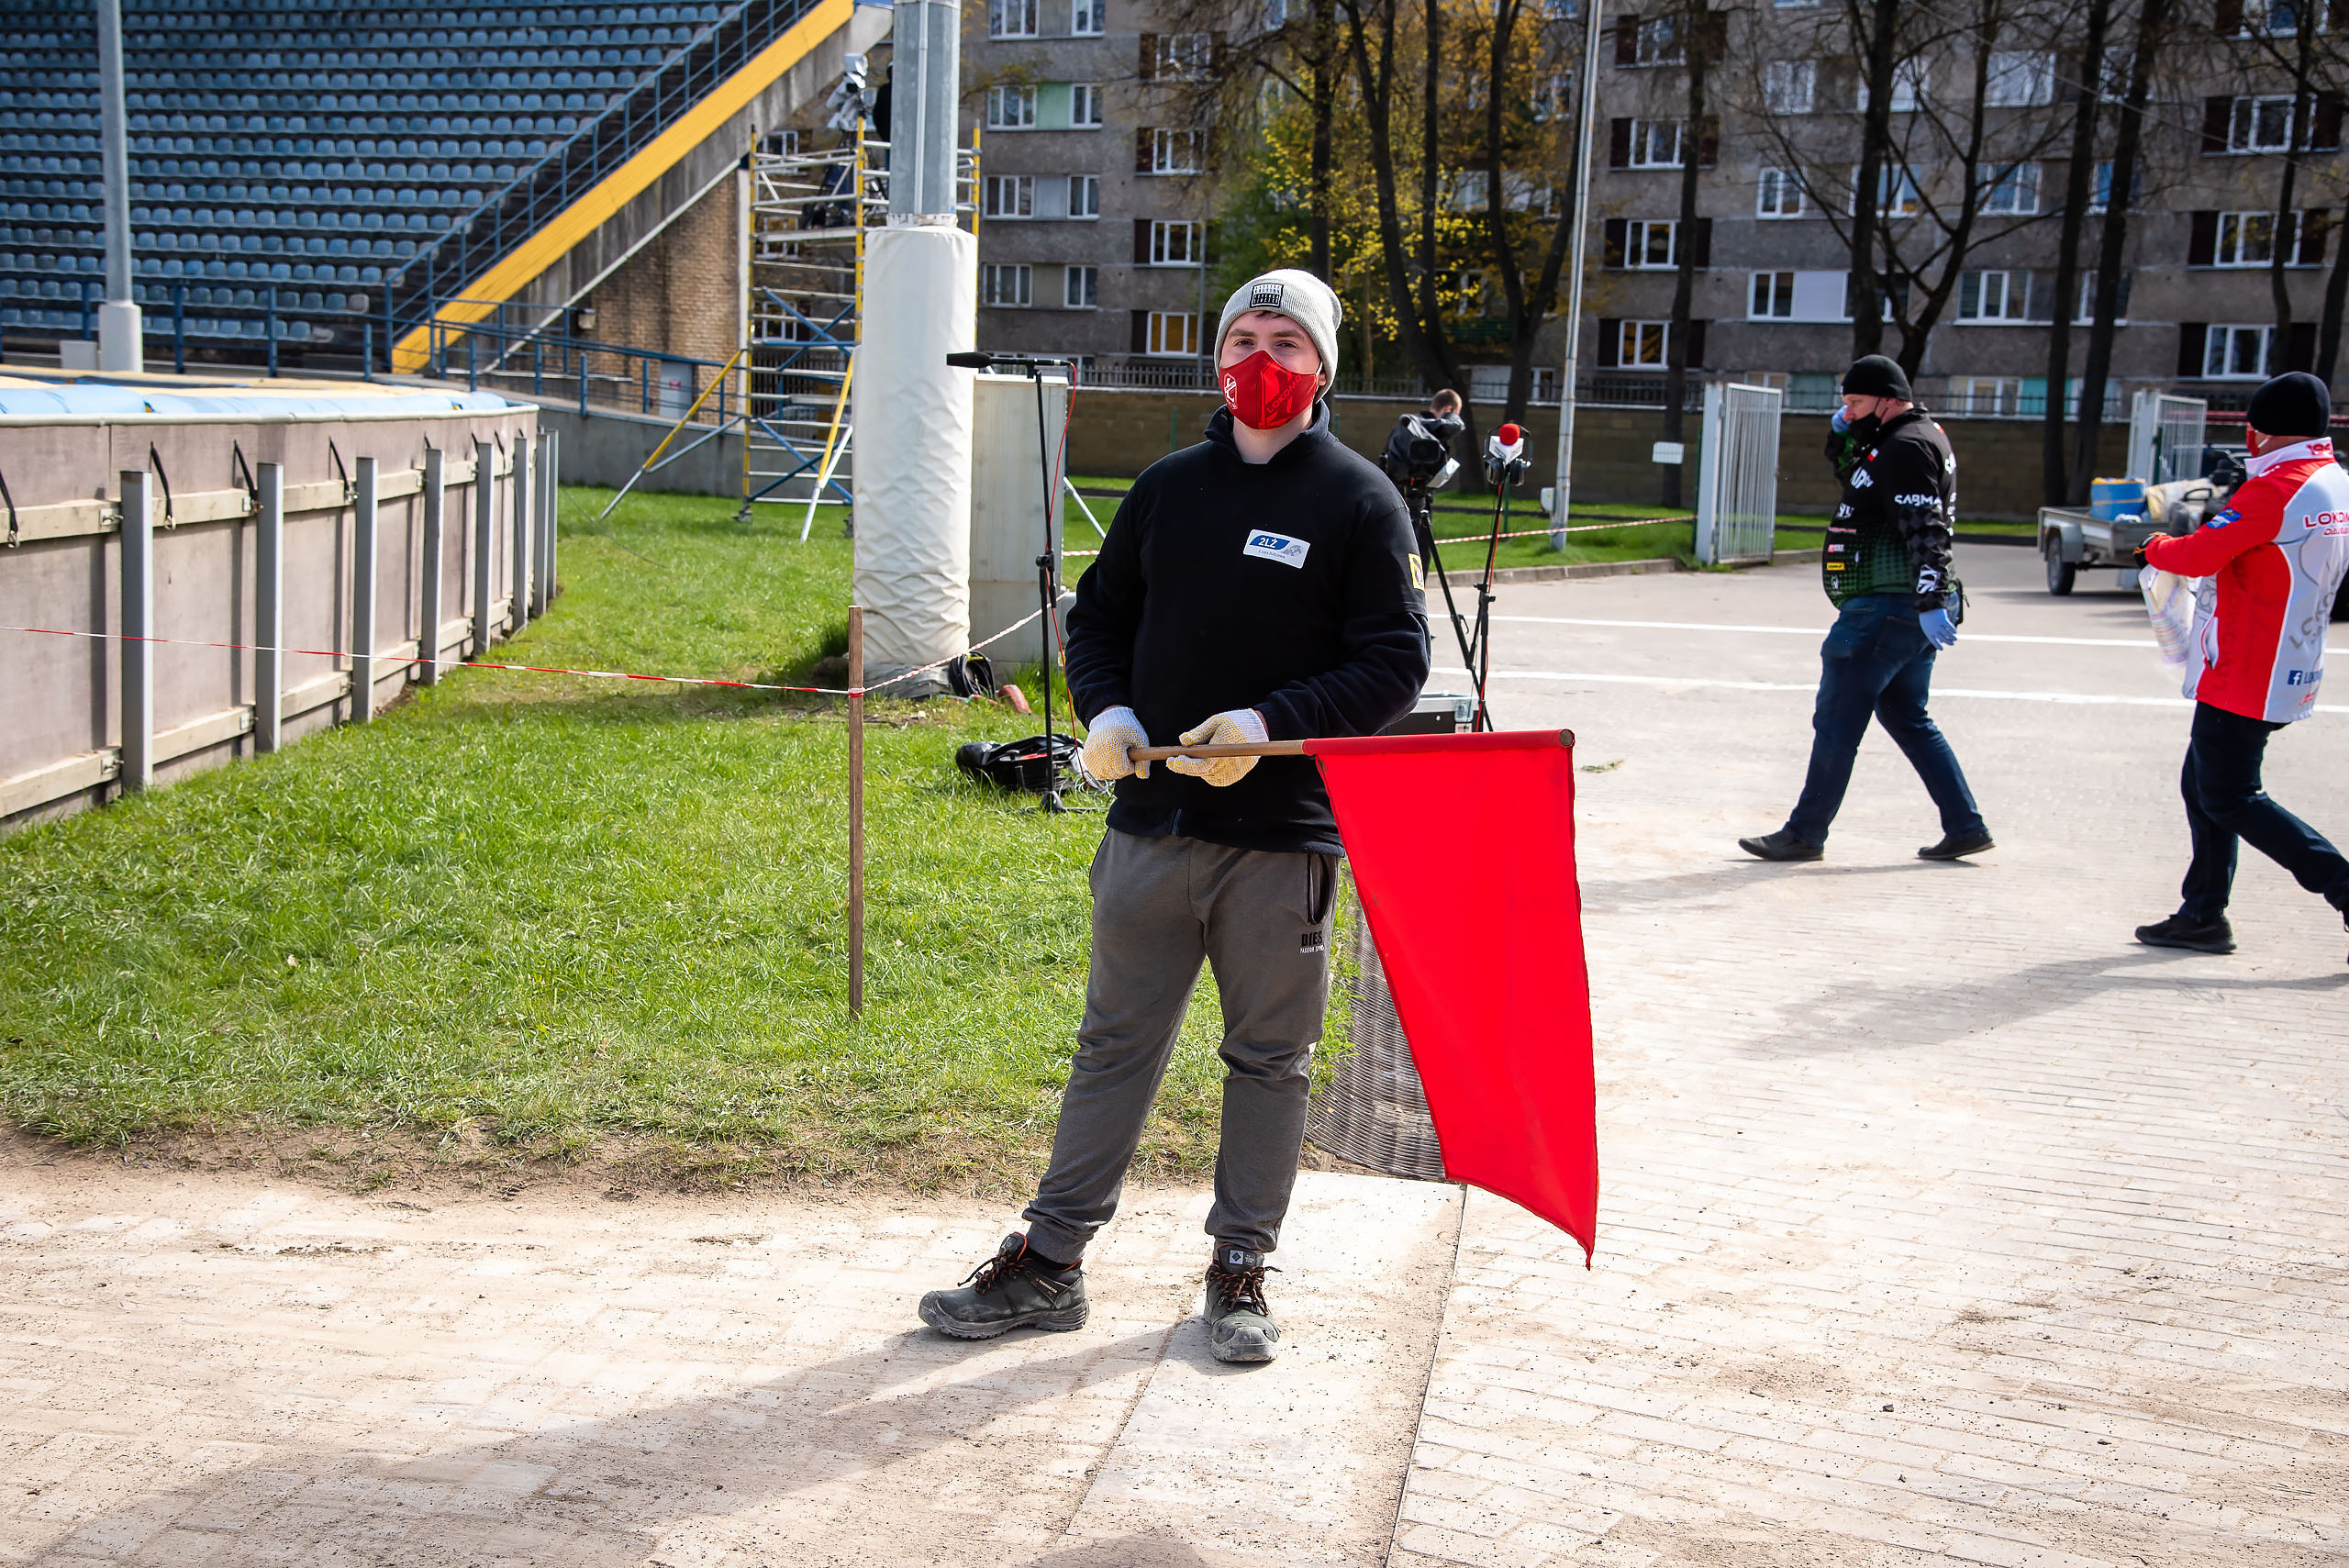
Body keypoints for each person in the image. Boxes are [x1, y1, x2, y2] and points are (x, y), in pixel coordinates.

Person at [917, 269, 1431, 1362]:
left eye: (1287, 341)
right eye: (1244, 335)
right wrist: (1103, 709)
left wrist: (1267, 720)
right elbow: (1096, 620)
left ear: (1323, 368)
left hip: (1282, 841)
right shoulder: (1166, 488)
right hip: (1147, 828)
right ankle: (1050, 1262)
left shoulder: (1357, 499)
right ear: (1214, 357)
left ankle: (1240, 1267)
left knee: (1269, 1061)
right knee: (1113, 1045)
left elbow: (1395, 661)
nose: (1262, 358)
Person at [1739, 354, 1992, 862]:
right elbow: (1853, 475)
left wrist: (1928, 595)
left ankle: (1805, 833)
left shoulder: (1907, 447)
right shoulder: (1902, 439)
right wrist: (1840, 432)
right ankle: (1965, 825)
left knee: (1837, 719)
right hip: (1900, 605)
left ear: (1889, 398)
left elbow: (1928, 528)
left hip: (1887, 605)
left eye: (1854, 402)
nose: (1848, 412)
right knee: (1906, 716)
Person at [2132, 371, 2349, 959]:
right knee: (2202, 784)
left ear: (2264, 432)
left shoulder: (2277, 488)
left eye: (2253, 428)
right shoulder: (2333, 479)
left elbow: (2200, 553)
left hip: (2247, 668)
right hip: (2288, 658)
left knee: (2229, 795)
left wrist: (2153, 547)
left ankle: (2343, 887)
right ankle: (2202, 912)